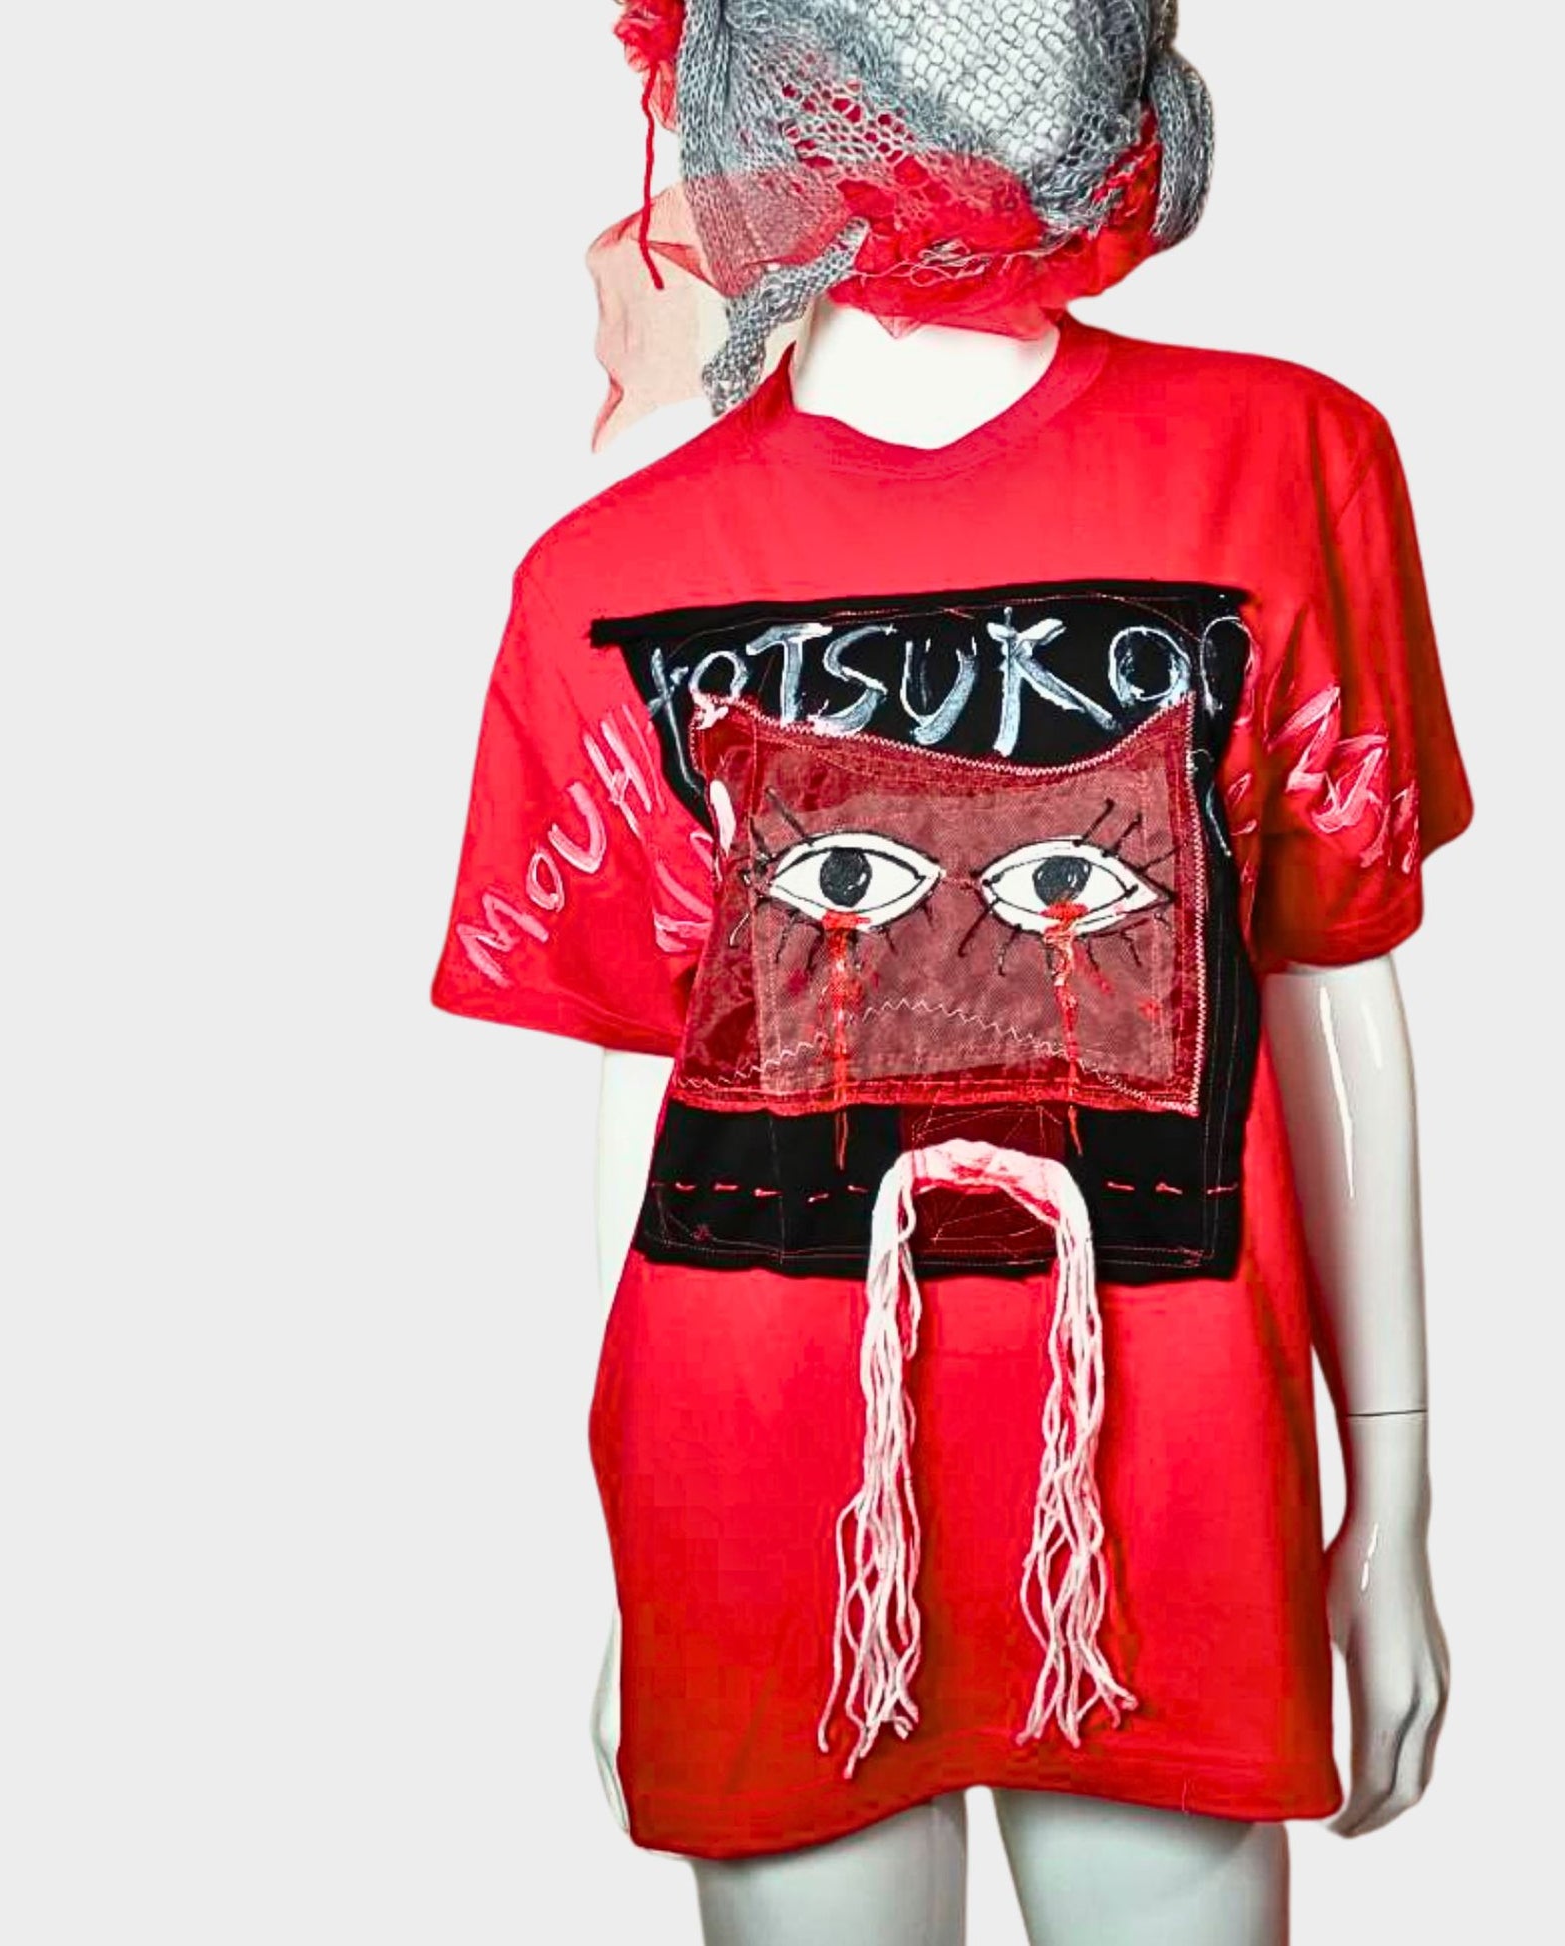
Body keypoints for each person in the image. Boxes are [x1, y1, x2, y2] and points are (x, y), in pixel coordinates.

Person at [432, 8, 1471, 1939]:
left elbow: (1333, 978)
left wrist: (1388, 1491)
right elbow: (645, 1079)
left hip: (1167, 1475)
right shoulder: (603, 572)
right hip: (762, 1480)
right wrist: (632, 1547)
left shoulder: (1285, 458)